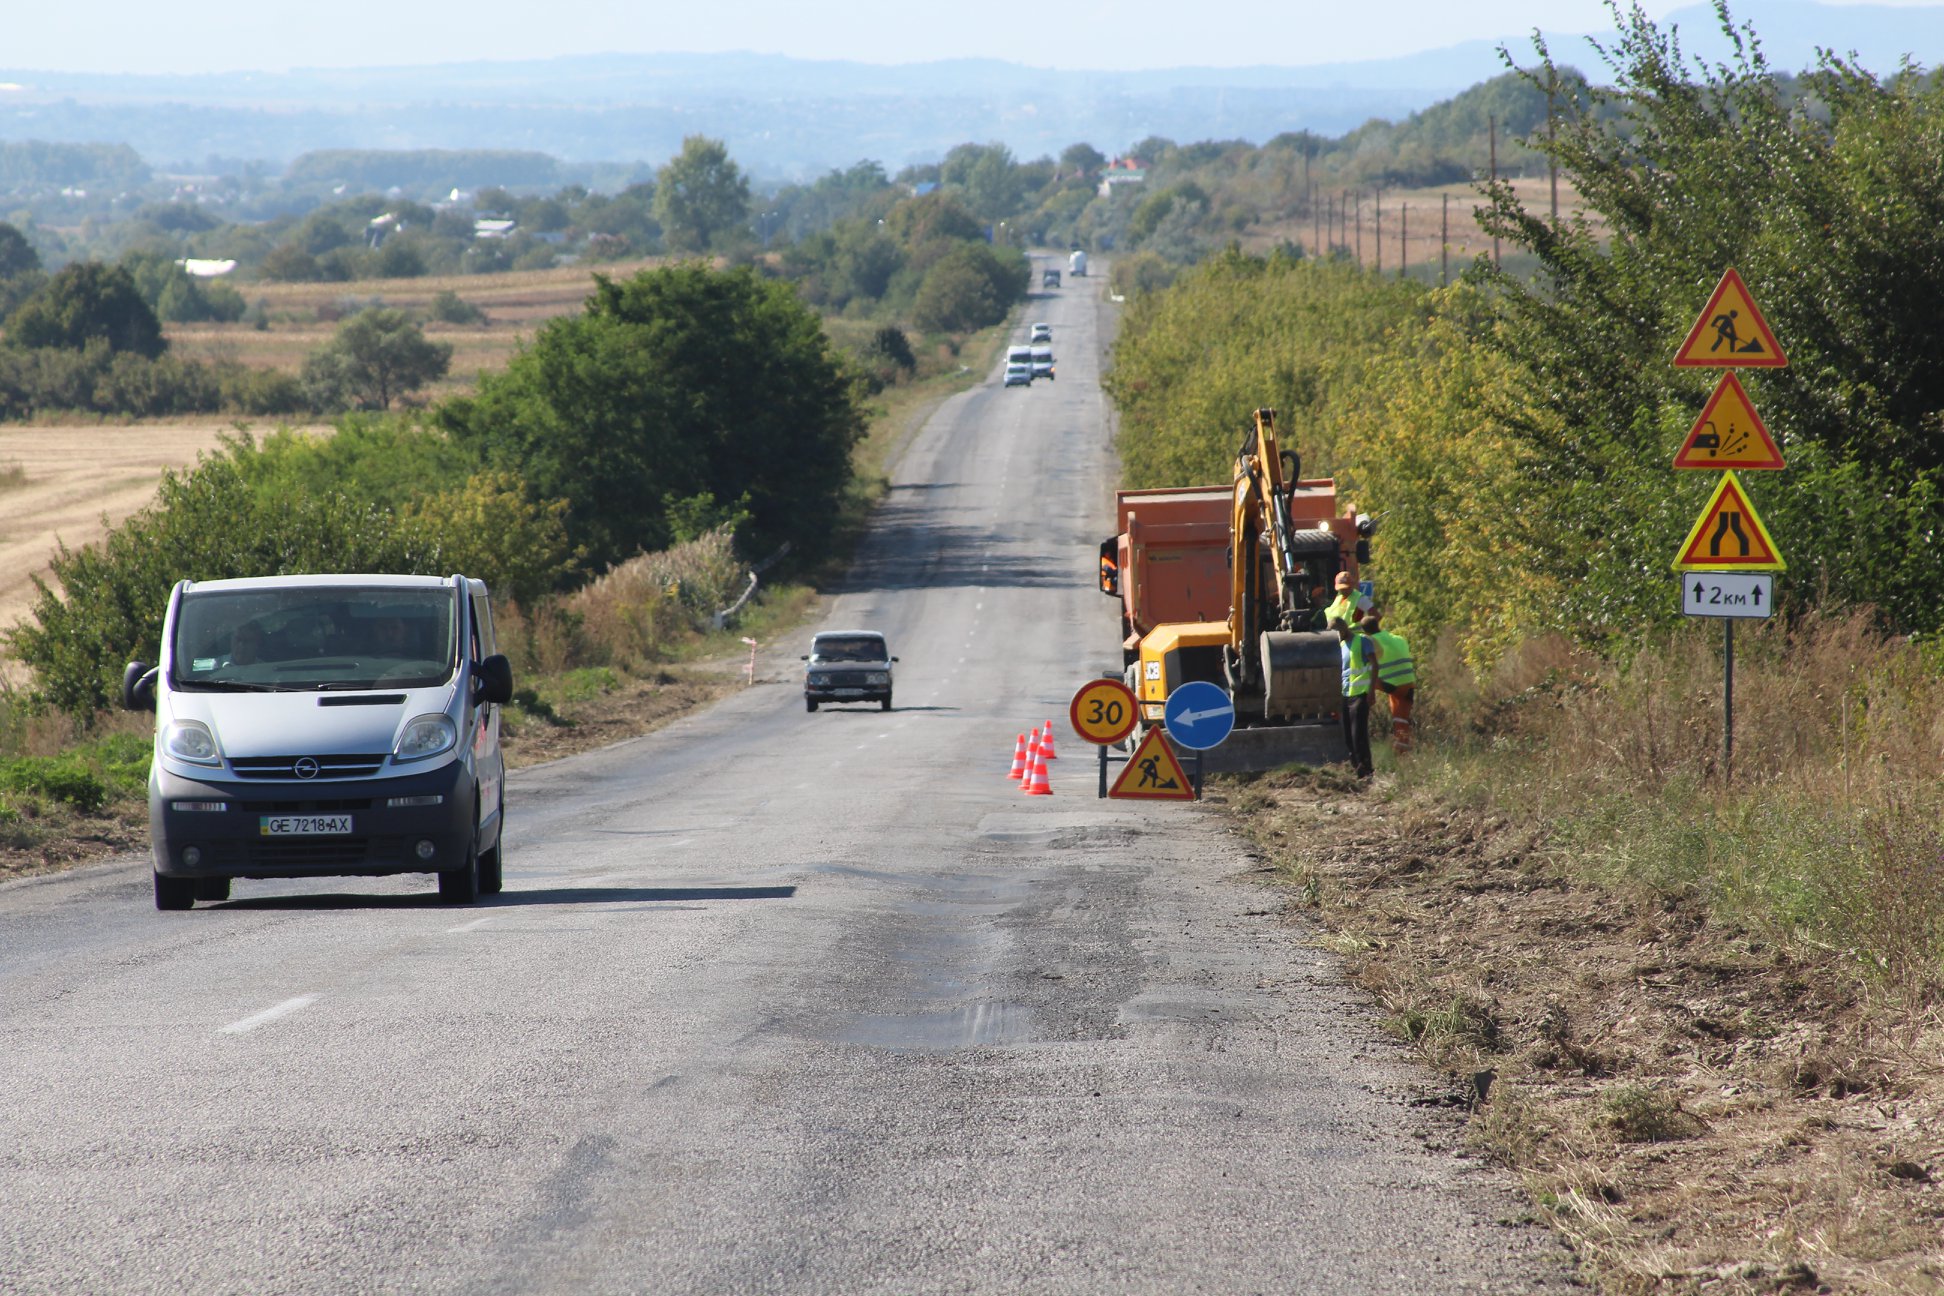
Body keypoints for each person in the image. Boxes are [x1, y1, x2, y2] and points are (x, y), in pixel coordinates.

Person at [1363, 607, 1417, 756]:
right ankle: (1403, 748)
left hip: (1393, 684)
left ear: (1365, 632)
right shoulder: (1398, 638)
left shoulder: (1370, 641)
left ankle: (1400, 749)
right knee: (1401, 716)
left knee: (1364, 677)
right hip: (1409, 681)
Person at [1332, 615, 1375, 778]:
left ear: (1342, 629)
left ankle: (1366, 771)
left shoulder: (1362, 641)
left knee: (1359, 736)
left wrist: (1371, 691)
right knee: (1348, 738)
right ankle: (1356, 770)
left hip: (1360, 695)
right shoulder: (1341, 646)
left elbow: (1374, 664)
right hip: (1346, 695)